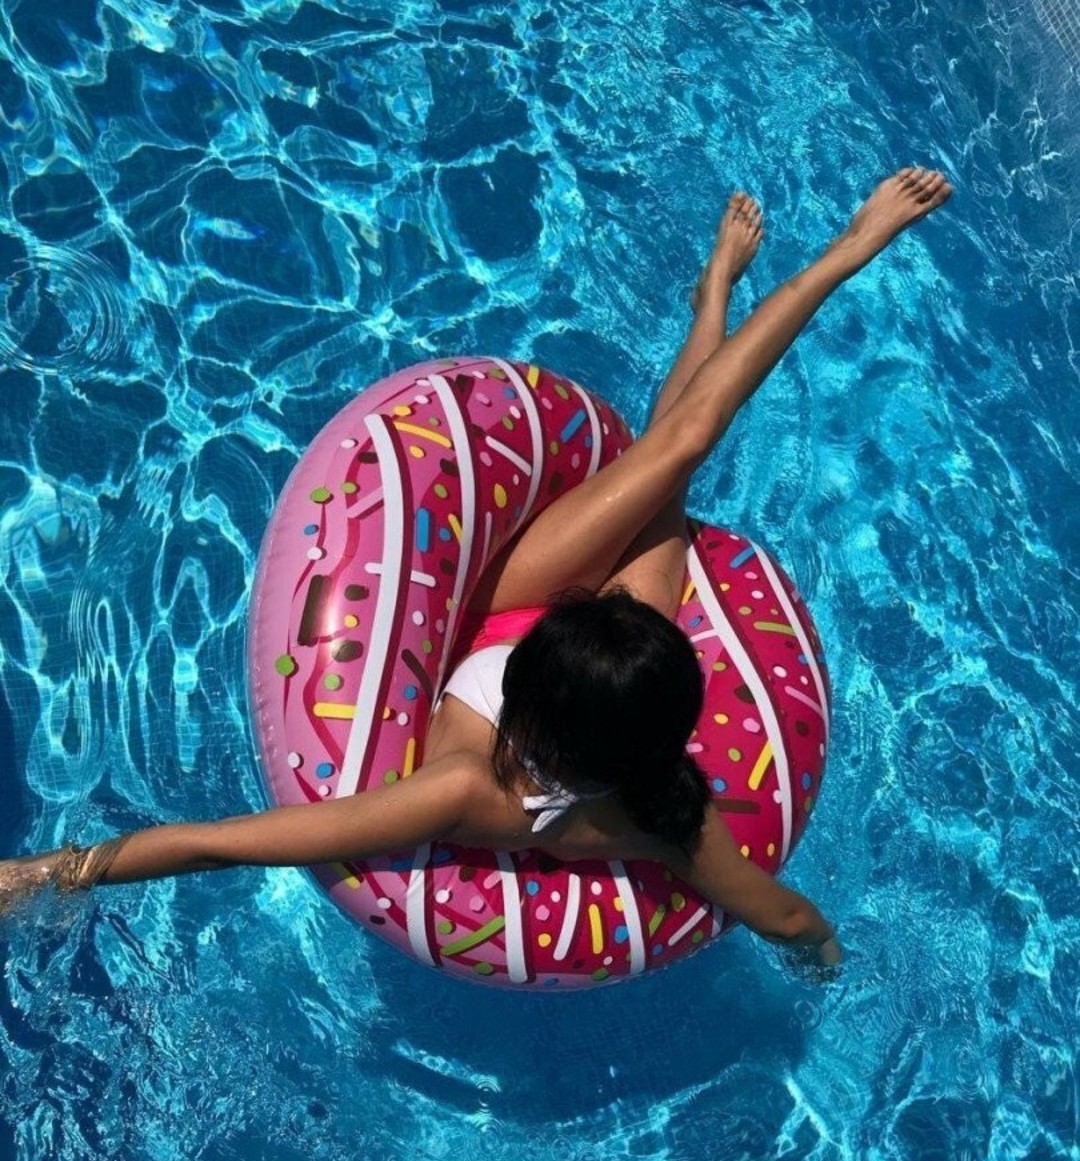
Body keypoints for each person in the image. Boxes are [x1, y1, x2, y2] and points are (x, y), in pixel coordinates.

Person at [0, 167, 954, 979]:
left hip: (510, 615)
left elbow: (227, 841)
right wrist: (826, 964)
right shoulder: (667, 801)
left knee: (670, 464)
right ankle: (788, 269)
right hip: (547, 636)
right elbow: (790, 917)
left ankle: (720, 295)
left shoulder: (471, 792)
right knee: (677, 452)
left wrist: (53, 871)